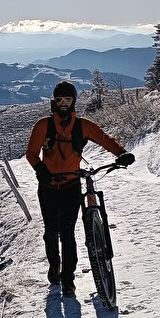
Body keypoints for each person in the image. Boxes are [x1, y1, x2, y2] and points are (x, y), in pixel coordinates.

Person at [25, 80, 134, 297]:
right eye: (59, 99)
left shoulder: (83, 125)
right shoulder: (43, 125)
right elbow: (31, 153)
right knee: (50, 232)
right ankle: (54, 267)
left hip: (70, 186)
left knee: (67, 233)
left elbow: (104, 138)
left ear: (73, 100)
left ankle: (68, 280)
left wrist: (121, 153)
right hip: (47, 187)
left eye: (67, 99)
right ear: (54, 102)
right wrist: (40, 168)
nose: (63, 103)